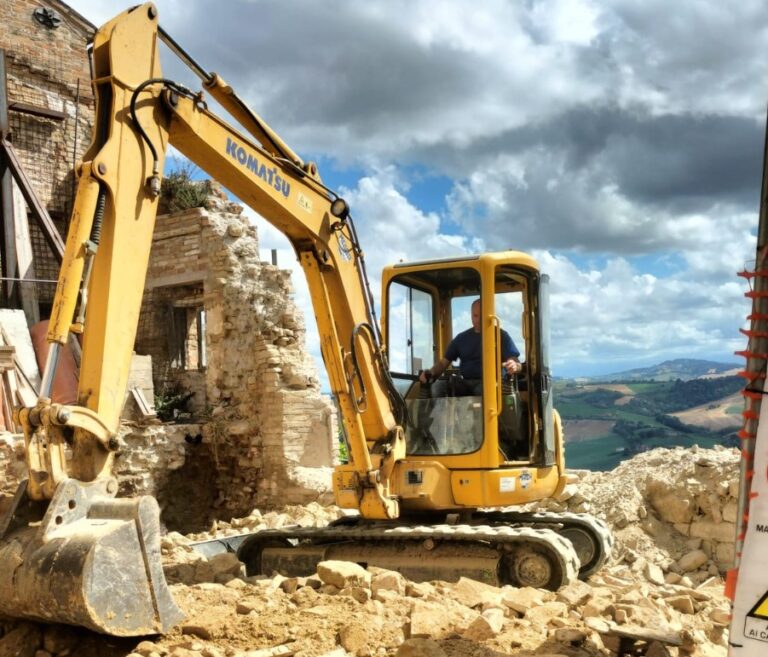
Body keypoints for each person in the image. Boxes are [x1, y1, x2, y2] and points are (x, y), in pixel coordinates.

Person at [418, 299, 521, 396]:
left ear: (490, 315)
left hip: (489, 383)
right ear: (471, 316)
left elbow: (515, 360)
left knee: (482, 391)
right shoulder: (461, 338)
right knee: (437, 388)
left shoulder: (501, 335)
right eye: (475, 316)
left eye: (482, 315)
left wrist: (514, 365)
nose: (478, 320)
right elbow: (443, 363)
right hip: (465, 383)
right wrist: (431, 372)